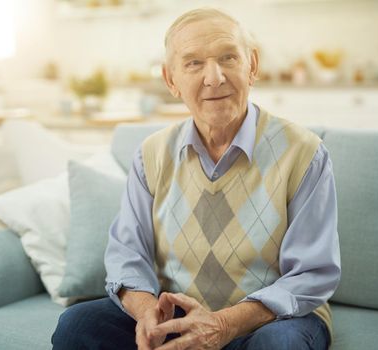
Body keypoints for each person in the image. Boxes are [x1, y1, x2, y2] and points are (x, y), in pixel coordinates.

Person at [52, 7, 341, 350]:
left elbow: (311, 274)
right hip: (176, 318)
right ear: (170, 80)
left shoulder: (304, 152)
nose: (214, 77)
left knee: (280, 345)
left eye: (228, 57)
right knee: (77, 324)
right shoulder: (152, 154)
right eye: (193, 63)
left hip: (269, 321)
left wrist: (222, 323)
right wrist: (148, 315)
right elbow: (127, 254)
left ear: (253, 66)